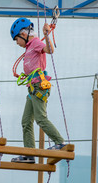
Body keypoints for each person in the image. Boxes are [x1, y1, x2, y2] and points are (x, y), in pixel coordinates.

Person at [10, 17, 65, 163]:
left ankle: (60, 142)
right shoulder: (29, 47)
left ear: (23, 34)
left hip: (39, 86)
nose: (17, 43)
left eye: (16, 39)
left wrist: (46, 34)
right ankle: (29, 154)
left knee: (40, 118)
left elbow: (49, 50)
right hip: (32, 89)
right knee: (26, 121)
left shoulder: (35, 43)